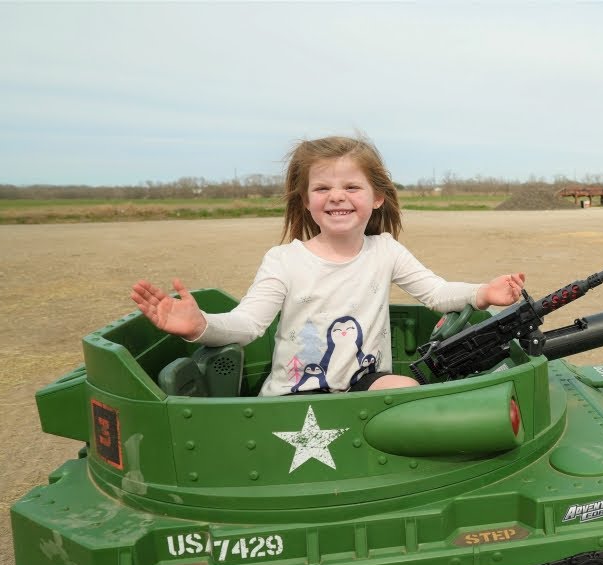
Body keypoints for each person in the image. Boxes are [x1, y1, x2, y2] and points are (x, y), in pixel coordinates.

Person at [132, 135, 525, 395]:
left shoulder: (385, 250)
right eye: (322, 188)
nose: (337, 196)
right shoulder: (284, 260)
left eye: (351, 187)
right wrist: (200, 325)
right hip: (295, 395)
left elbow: (437, 293)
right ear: (306, 201)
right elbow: (248, 324)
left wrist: (483, 292)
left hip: (363, 386)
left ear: (377, 198)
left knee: (406, 388)